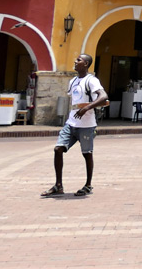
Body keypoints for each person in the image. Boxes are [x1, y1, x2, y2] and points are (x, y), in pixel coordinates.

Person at [42, 54, 109, 198]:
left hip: (86, 124)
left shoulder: (92, 80)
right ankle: (58, 185)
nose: (75, 61)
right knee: (58, 149)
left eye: (79, 60)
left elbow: (103, 96)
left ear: (86, 64)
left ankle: (88, 185)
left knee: (87, 153)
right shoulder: (72, 81)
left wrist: (87, 108)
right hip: (71, 123)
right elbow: (75, 101)